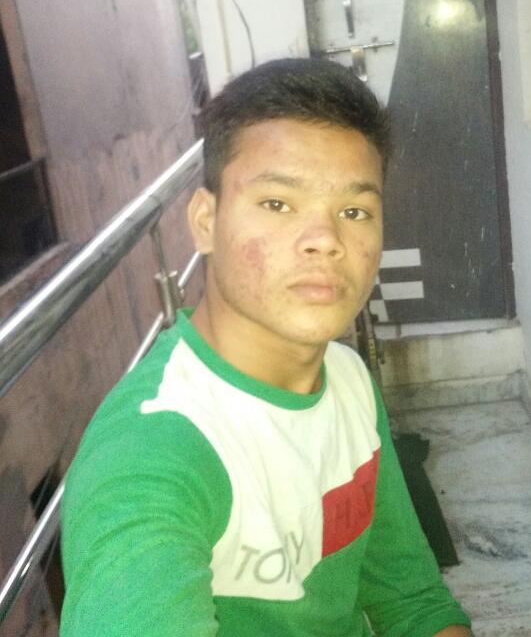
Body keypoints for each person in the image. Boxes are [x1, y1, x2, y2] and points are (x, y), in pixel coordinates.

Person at [60, 58, 472, 637]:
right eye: (278, 203)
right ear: (205, 221)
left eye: (354, 211)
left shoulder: (347, 377)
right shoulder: (154, 452)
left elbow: (411, 599)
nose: (325, 240)